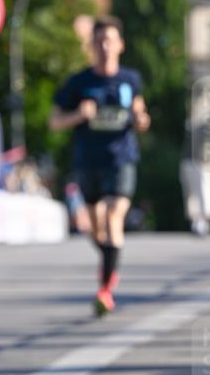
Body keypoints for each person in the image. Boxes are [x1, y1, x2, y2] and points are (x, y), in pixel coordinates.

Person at [49, 16, 150, 315]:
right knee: (96, 229)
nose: (105, 46)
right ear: (92, 45)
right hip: (88, 161)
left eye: (111, 40)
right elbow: (54, 122)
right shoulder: (79, 83)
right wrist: (78, 115)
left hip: (121, 159)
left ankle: (105, 291)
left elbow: (142, 117)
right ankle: (109, 263)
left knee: (113, 218)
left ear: (121, 45)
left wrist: (141, 119)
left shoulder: (130, 80)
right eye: (100, 41)